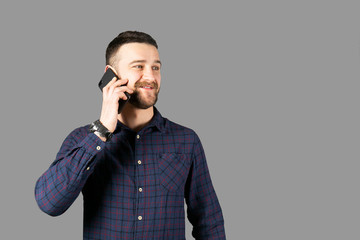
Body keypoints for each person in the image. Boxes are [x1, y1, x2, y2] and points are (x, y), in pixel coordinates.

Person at [35, 31, 226, 240]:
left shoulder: (186, 141)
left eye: (156, 67)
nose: (151, 77)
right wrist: (101, 131)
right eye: (138, 66)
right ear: (111, 74)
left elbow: (209, 222)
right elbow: (49, 203)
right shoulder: (81, 139)